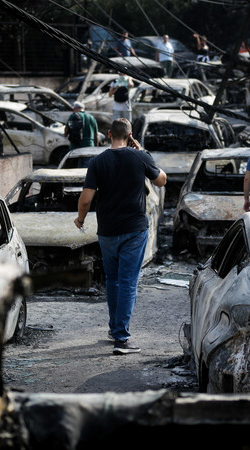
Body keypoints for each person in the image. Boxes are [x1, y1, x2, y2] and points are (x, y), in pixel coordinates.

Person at [75, 118, 167, 355]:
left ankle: (115, 329)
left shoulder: (98, 162)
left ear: (108, 134)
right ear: (130, 135)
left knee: (113, 281)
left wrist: (80, 219)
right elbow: (162, 180)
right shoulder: (140, 157)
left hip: (107, 230)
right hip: (134, 229)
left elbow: (85, 199)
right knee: (127, 283)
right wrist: (141, 151)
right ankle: (122, 339)